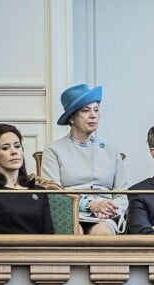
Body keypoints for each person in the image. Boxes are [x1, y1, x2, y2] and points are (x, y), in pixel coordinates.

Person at [42, 83, 128, 235]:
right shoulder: (53, 150)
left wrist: (111, 208)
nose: (93, 115)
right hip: (70, 213)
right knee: (75, 233)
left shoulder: (111, 150)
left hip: (106, 216)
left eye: (96, 110)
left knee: (102, 233)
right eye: (85, 111)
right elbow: (53, 193)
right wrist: (90, 205)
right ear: (71, 118)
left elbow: (123, 193)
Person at [0, 124, 54, 234]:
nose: (14, 151)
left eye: (17, 146)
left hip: (37, 250)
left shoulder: (39, 191)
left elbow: (49, 236)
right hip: (1, 251)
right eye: (5, 148)